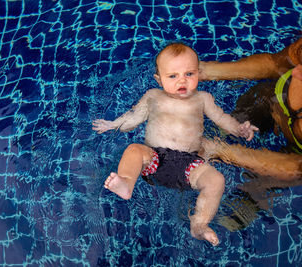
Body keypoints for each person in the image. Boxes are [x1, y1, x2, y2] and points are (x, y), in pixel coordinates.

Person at [92, 43, 258, 246]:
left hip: (189, 165)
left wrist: (239, 129)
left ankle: (199, 225)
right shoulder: (153, 96)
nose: (182, 80)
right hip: (153, 158)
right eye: (173, 76)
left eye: (189, 74)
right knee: (134, 150)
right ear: (159, 79)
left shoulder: (203, 99)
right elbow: (134, 117)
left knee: (216, 180)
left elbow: (221, 118)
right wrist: (114, 125)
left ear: (199, 73)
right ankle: (126, 182)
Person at [199, 37, 302, 180]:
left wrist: (220, 150)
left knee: (256, 186)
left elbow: (295, 169)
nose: (296, 71)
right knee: (262, 97)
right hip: (274, 98)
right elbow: (276, 64)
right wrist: (204, 71)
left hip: (294, 154)